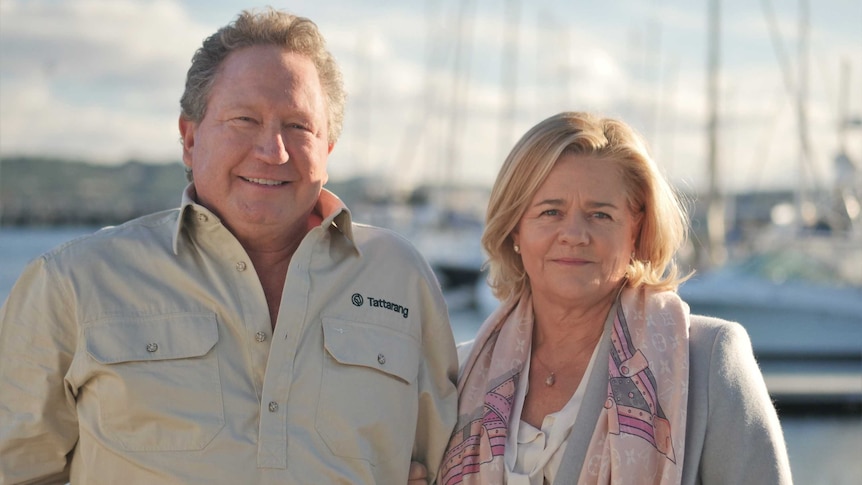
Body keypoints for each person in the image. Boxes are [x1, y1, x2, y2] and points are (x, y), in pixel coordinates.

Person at [0, 8, 457, 484]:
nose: (272, 150)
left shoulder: (400, 277)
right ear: (190, 138)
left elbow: (444, 459)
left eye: (299, 127)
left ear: (329, 149)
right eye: (245, 119)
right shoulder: (72, 283)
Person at [435, 112, 792, 484]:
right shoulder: (460, 375)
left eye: (600, 215)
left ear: (636, 231)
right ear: (514, 230)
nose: (574, 234)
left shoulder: (706, 360)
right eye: (550, 211)